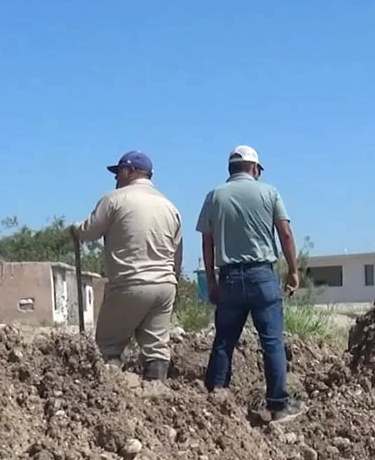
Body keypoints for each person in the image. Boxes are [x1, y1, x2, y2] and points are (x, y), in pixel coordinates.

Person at [195, 144, 306, 423]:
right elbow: (286, 233)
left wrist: (211, 280)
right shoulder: (269, 192)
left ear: (231, 169)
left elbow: (207, 241)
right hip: (262, 276)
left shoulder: (214, 196)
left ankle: (216, 397)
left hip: (229, 277)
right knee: (272, 342)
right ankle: (278, 405)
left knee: (224, 340)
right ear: (255, 169)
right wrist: (293, 270)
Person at [71, 150, 183, 381]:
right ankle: (156, 395)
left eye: (118, 172)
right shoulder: (169, 207)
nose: (115, 178)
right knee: (156, 349)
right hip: (164, 287)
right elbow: (177, 253)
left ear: (130, 171)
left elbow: (89, 232)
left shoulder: (114, 200)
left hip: (130, 284)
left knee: (108, 345)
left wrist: (75, 228)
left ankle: (110, 398)